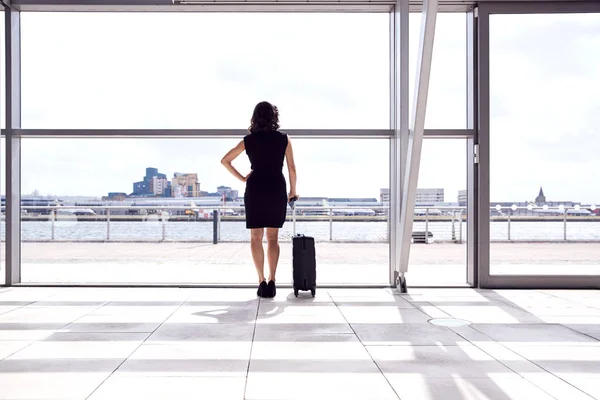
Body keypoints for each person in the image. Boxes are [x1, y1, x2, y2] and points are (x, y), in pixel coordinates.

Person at [221, 101, 297, 298]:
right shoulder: (284, 139)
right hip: (276, 187)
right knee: (273, 238)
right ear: (274, 117)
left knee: (256, 237)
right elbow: (292, 168)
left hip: (255, 188)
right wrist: (293, 191)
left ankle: (261, 281)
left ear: (255, 117)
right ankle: (273, 281)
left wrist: (242, 178)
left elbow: (225, 160)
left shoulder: (249, 140)